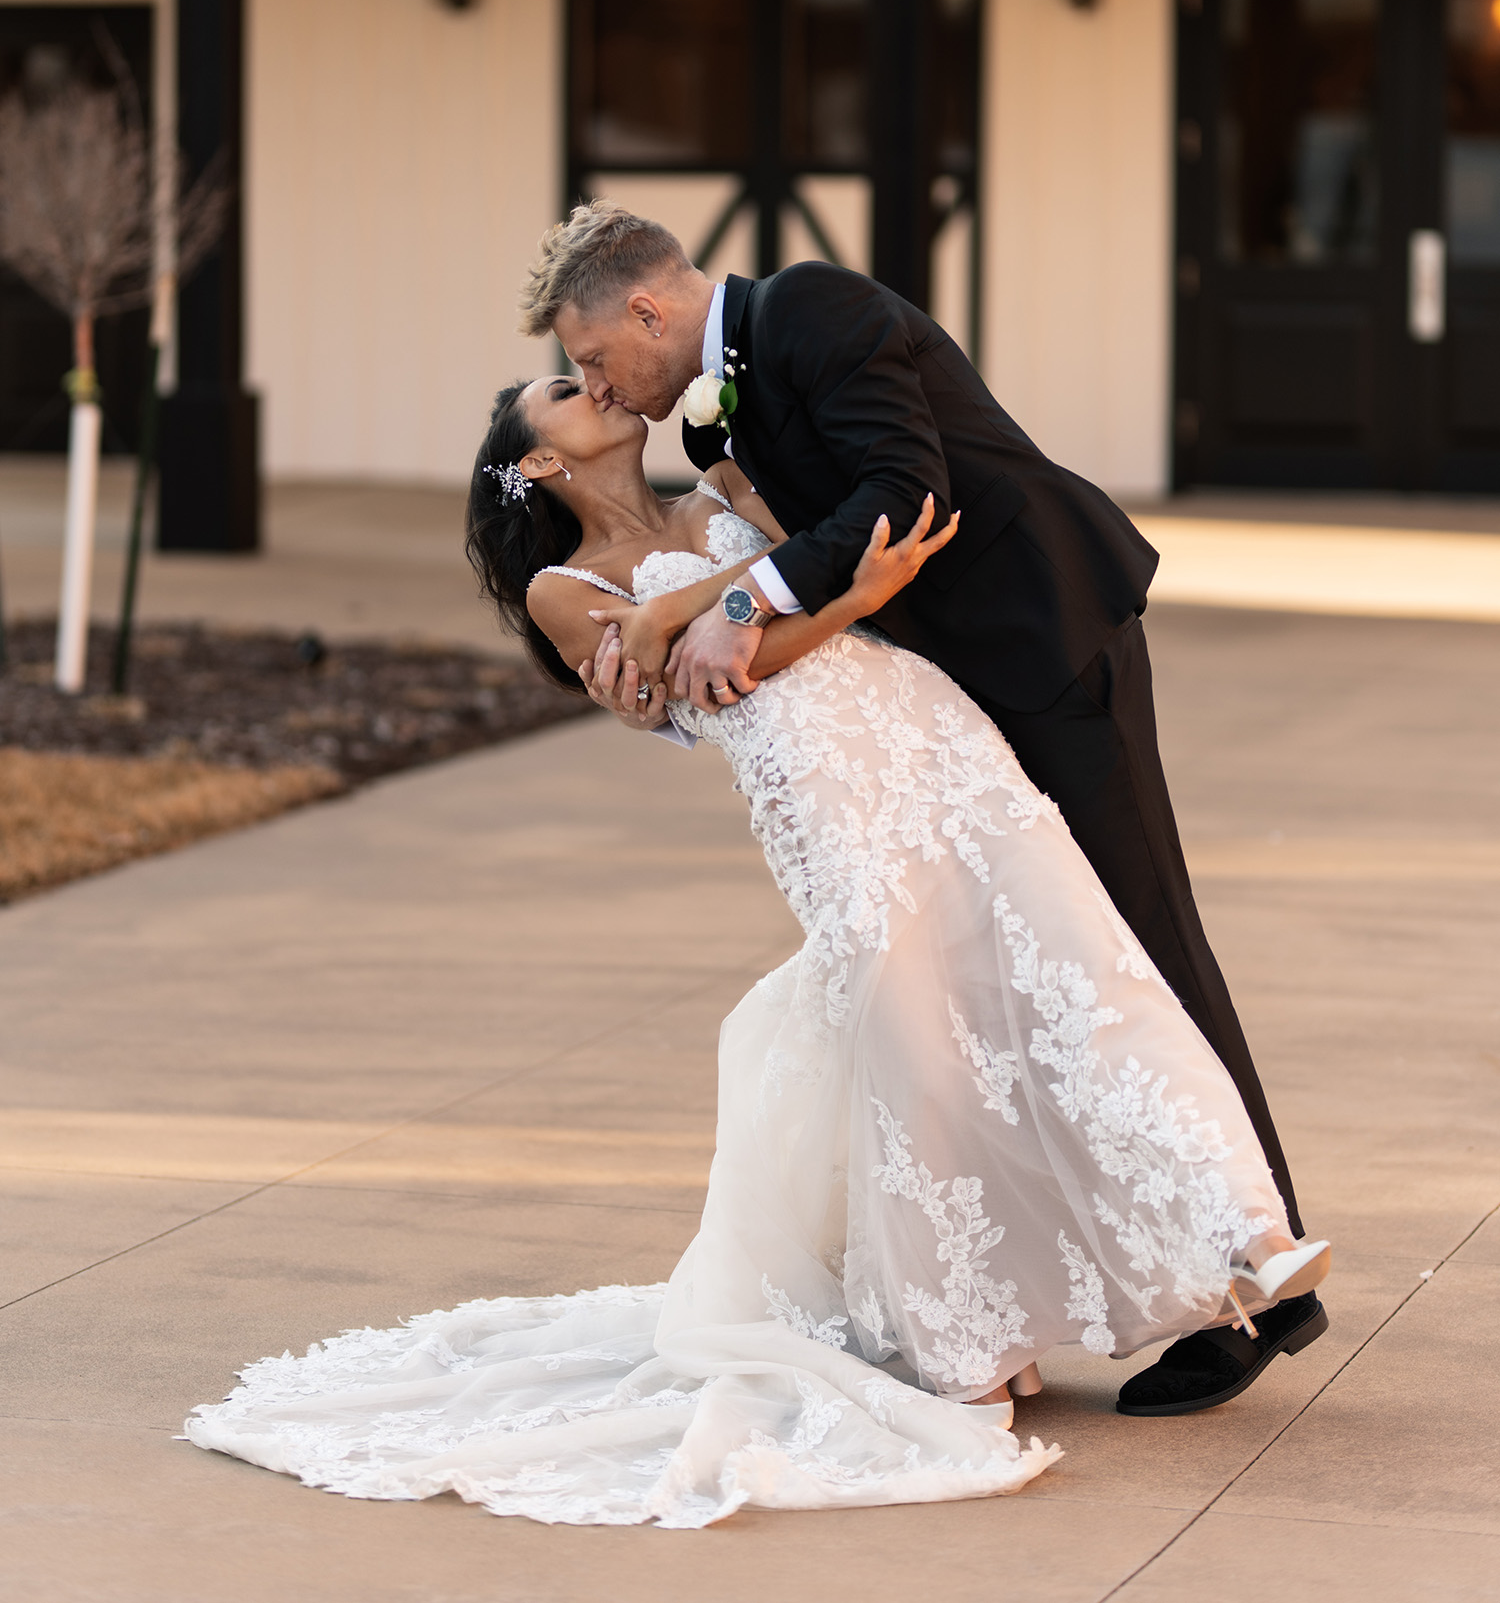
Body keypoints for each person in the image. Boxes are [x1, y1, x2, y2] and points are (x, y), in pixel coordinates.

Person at [185, 365, 1329, 1527]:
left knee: (1080, 971)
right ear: (537, 461)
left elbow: (821, 586)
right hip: (819, 792)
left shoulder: (726, 482)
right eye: (566, 394)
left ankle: (1251, 1236)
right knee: (919, 1041)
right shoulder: (560, 589)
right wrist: (766, 606)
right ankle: (964, 1329)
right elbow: (718, 683)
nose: (599, 390)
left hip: (930, 732)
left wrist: (721, 604)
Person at [531, 201, 1329, 1419]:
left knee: (1138, 946)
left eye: (596, 359)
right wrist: (667, 647)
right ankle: (1099, 1273)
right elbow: (800, 540)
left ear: (650, 309)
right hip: (940, 701)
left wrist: (730, 614)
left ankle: (1267, 1280)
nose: (601, 384)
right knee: (1028, 982)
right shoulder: (713, 423)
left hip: (1046, 642)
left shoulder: (813, 306)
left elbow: (909, 485)